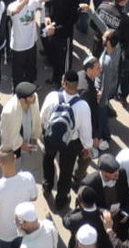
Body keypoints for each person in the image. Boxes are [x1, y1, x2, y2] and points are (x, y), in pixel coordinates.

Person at [42, 69, 94, 210]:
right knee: (66, 171)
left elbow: (43, 117)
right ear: (77, 85)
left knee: (48, 158)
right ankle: (61, 199)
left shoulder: (52, 97)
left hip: (51, 137)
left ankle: (47, 185)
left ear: (64, 83)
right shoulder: (83, 106)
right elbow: (86, 131)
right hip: (71, 143)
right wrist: (87, 146)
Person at [0, 147, 41, 248]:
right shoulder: (28, 178)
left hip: (2, 235)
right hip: (22, 231)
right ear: (14, 157)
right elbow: (34, 197)